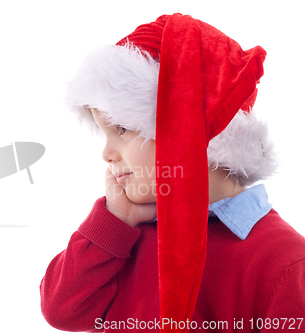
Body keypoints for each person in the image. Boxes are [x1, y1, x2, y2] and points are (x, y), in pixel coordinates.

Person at [40, 13, 305, 332]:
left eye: (121, 129)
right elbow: (61, 311)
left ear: (186, 125)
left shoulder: (283, 261)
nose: (107, 154)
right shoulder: (122, 239)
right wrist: (114, 220)